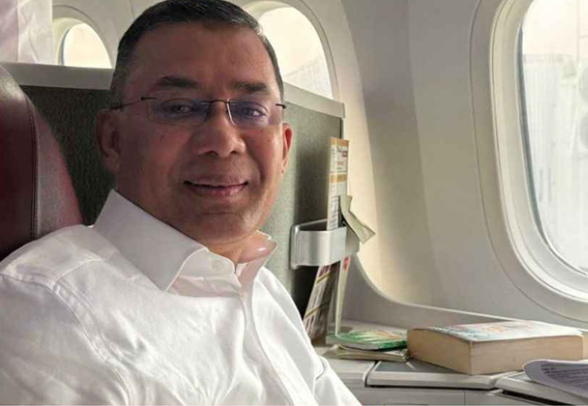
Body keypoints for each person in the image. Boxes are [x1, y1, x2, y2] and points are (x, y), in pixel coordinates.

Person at [0, 0, 360, 404]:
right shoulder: (46, 313)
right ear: (113, 139)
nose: (223, 141)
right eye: (179, 108)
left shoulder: (262, 289)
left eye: (250, 110)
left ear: (285, 148)